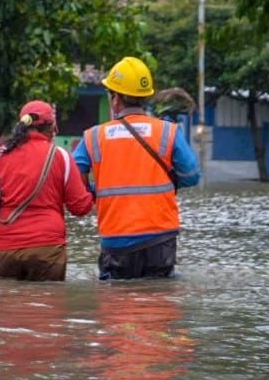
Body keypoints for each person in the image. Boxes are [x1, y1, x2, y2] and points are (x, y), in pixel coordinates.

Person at [73, 57, 201, 280]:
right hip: (160, 238)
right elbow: (191, 176)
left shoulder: (94, 136)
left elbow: (74, 179)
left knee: (116, 307)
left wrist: (96, 190)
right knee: (159, 303)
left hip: (117, 239)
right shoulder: (168, 132)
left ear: (115, 99)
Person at [0, 100, 93, 281]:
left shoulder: (0, 155)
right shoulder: (61, 157)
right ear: (52, 128)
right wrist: (94, 192)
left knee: (2, 306)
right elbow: (80, 207)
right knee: (45, 305)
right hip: (46, 249)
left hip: (1, 250)